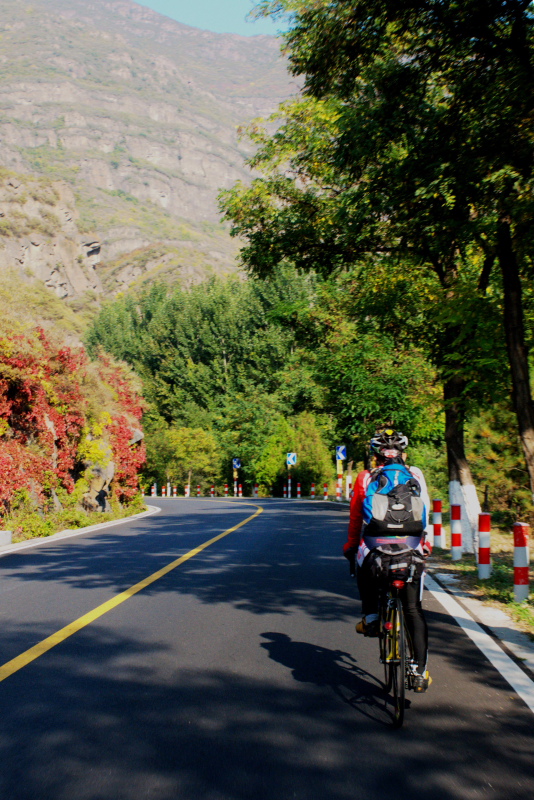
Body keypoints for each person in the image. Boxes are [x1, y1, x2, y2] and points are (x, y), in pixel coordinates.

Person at [343, 428, 432, 693]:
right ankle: (419, 671)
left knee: (362, 561)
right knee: (413, 608)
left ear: (375, 455)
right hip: (412, 544)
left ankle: (371, 618)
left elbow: (357, 518)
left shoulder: (365, 477)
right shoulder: (415, 474)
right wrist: (426, 545)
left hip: (375, 545)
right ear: (403, 453)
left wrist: (349, 547)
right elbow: (425, 510)